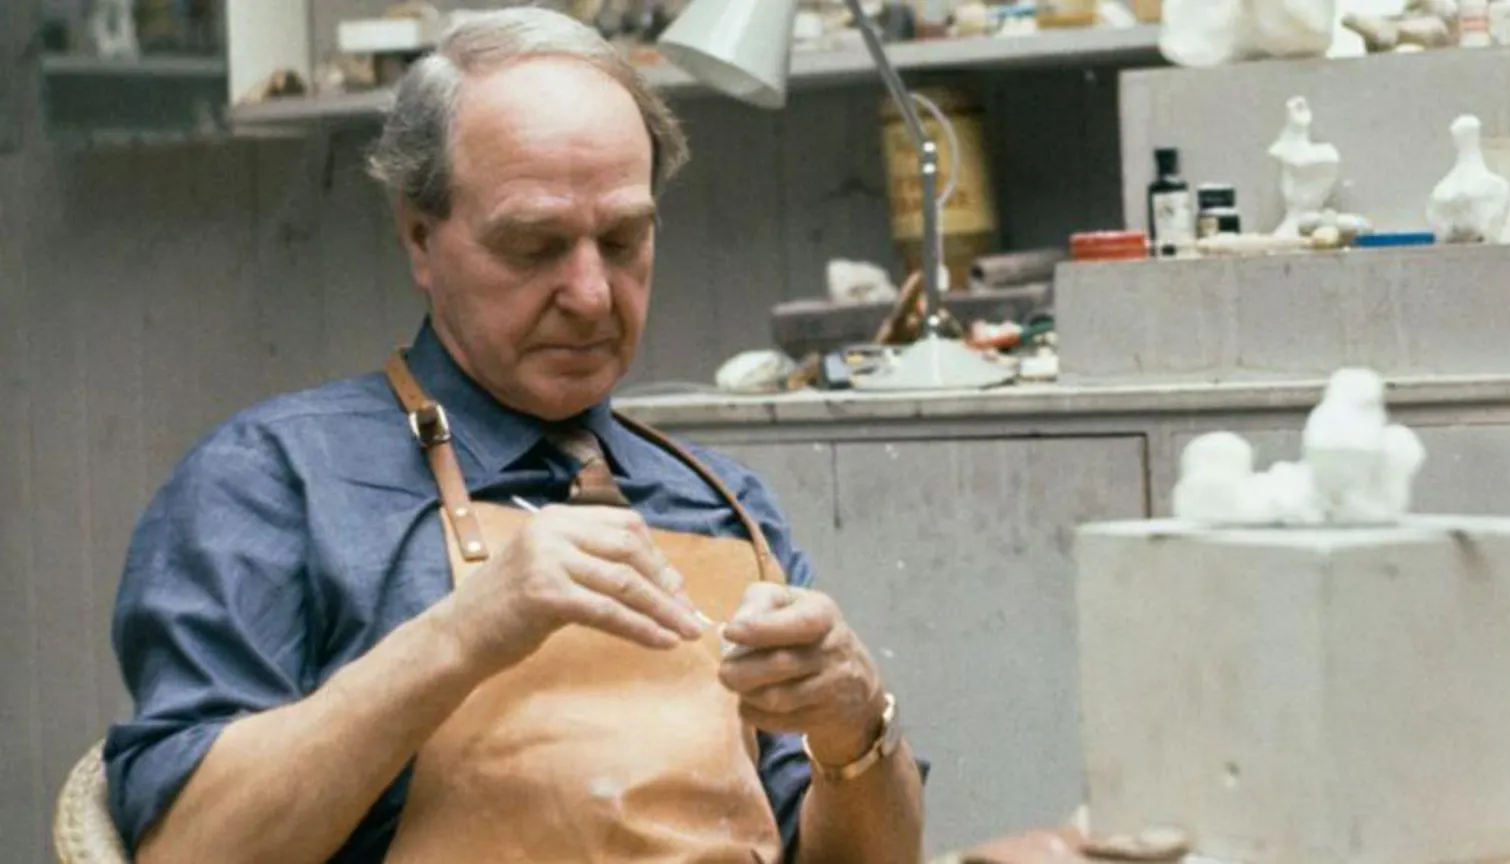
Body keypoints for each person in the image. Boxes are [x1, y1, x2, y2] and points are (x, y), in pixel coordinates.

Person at [104, 7, 925, 863]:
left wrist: (857, 724)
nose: (592, 295)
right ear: (420, 237)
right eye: (534, 245)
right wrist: (464, 634)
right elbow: (187, 850)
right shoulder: (275, 482)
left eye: (622, 240)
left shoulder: (723, 505)